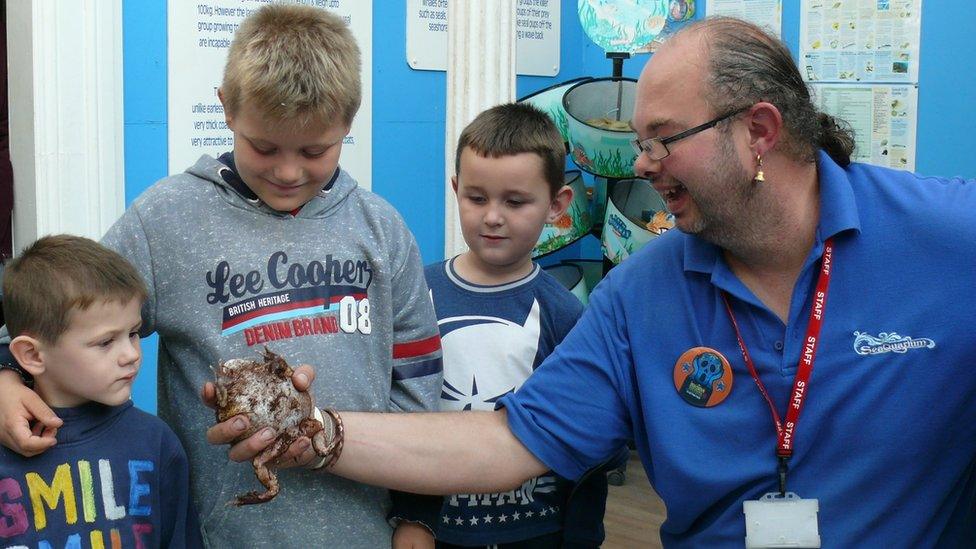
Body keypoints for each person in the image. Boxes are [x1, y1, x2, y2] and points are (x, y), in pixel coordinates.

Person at [212, 16, 976, 547]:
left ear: (760, 132)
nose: (640, 165)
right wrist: (318, 433)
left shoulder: (946, 236)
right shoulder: (642, 295)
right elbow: (509, 439)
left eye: (661, 141)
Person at [0, 5, 443, 548]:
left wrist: (419, 517)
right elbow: (54, 316)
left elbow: (420, 387)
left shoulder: (382, 230)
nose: (287, 171)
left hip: (366, 532)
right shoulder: (164, 220)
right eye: (264, 147)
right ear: (227, 108)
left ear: (348, 125)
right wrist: (4, 376)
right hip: (220, 534)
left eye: (314, 150)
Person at [393, 103, 618, 549]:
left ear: (557, 205)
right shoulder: (416, 294)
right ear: (456, 190)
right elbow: (398, 413)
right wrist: (408, 516)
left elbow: (585, 441)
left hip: (536, 529)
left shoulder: (565, 315)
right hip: (436, 528)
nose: (493, 216)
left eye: (515, 202)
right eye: (477, 198)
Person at [0, 235, 202, 548]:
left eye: (133, 334)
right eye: (106, 342)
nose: (131, 354)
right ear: (33, 355)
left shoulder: (156, 442)